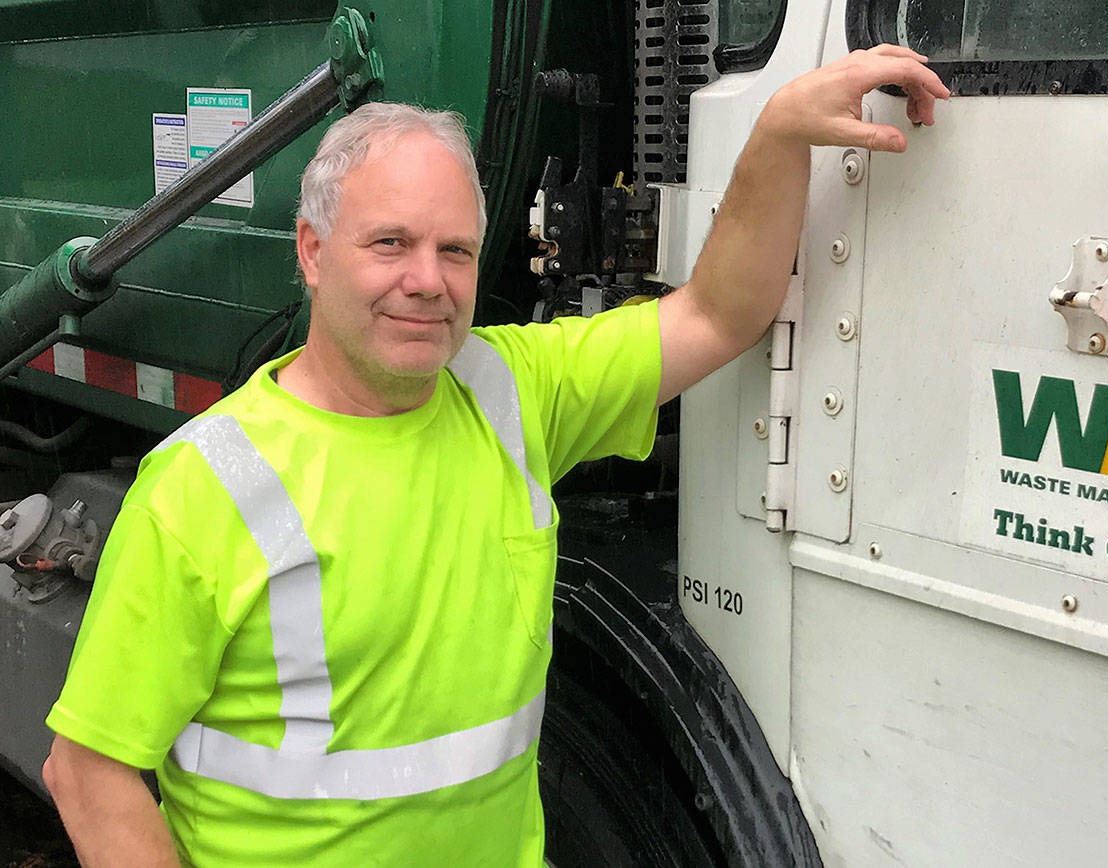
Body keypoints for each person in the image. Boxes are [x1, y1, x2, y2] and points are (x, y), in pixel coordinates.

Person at [39, 45, 947, 866]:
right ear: (313, 254)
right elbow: (90, 775)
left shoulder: (512, 390)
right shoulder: (205, 487)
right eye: (389, 243)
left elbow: (716, 312)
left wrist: (778, 135)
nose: (427, 280)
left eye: (455, 251)